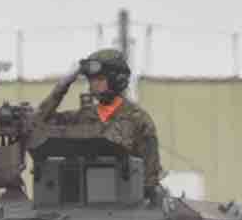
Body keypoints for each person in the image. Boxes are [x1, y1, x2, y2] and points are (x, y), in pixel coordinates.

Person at [37, 48, 164, 193]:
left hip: (124, 202)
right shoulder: (81, 117)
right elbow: (40, 120)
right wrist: (63, 85)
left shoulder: (138, 119)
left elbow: (150, 177)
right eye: (91, 80)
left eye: (100, 79)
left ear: (117, 80)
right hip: (80, 202)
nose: (93, 85)